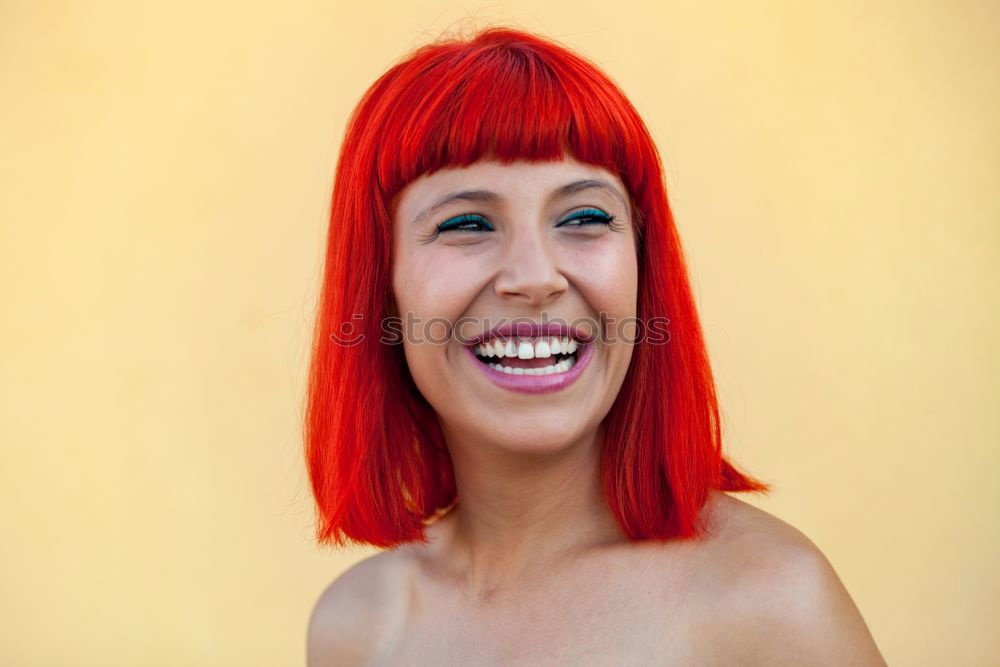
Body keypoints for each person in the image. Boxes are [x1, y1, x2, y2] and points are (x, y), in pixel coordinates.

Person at [303, 25, 887, 666]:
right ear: (381, 288)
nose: (535, 277)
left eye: (583, 218)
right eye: (466, 223)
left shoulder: (768, 602)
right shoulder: (356, 626)